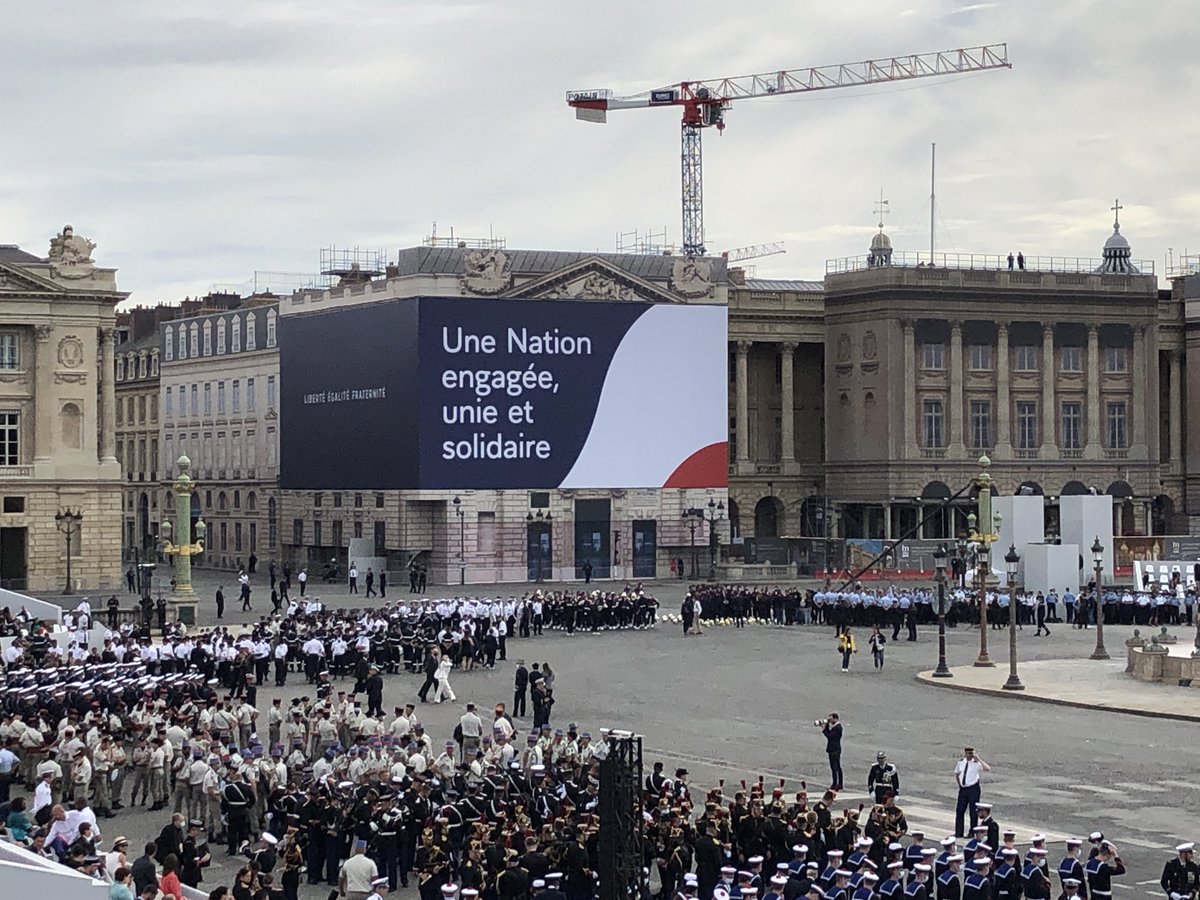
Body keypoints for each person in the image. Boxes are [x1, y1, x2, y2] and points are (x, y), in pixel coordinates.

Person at [953, 747, 990, 838]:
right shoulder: (961, 762)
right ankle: (958, 832)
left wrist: (979, 759)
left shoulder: (976, 764)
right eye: (967, 753)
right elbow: (957, 774)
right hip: (963, 789)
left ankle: (972, 832)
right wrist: (960, 784)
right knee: (960, 811)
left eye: (971, 754)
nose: (969, 755)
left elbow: (987, 768)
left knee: (973, 812)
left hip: (973, 789)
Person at [821, 712, 843, 791]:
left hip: (834, 750)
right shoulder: (836, 727)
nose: (830, 721)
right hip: (835, 749)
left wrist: (824, 729)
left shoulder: (837, 728)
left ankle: (835, 784)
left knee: (834, 767)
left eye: (831, 719)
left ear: (835, 718)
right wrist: (826, 726)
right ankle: (839, 783)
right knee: (837, 767)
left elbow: (830, 736)